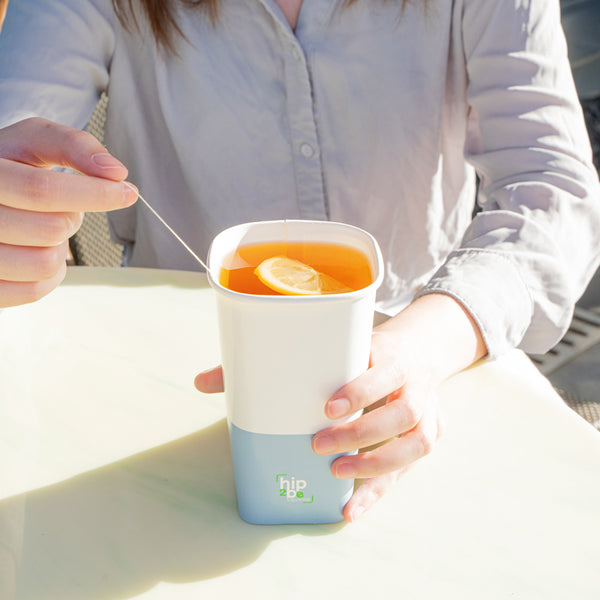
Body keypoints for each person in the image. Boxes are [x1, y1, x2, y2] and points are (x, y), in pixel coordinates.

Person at [0, 0, 599, 522]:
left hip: (425, 375)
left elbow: (556, 193)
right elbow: (17, 120)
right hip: (171, 398)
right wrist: (17, 206)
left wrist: (421, 346)